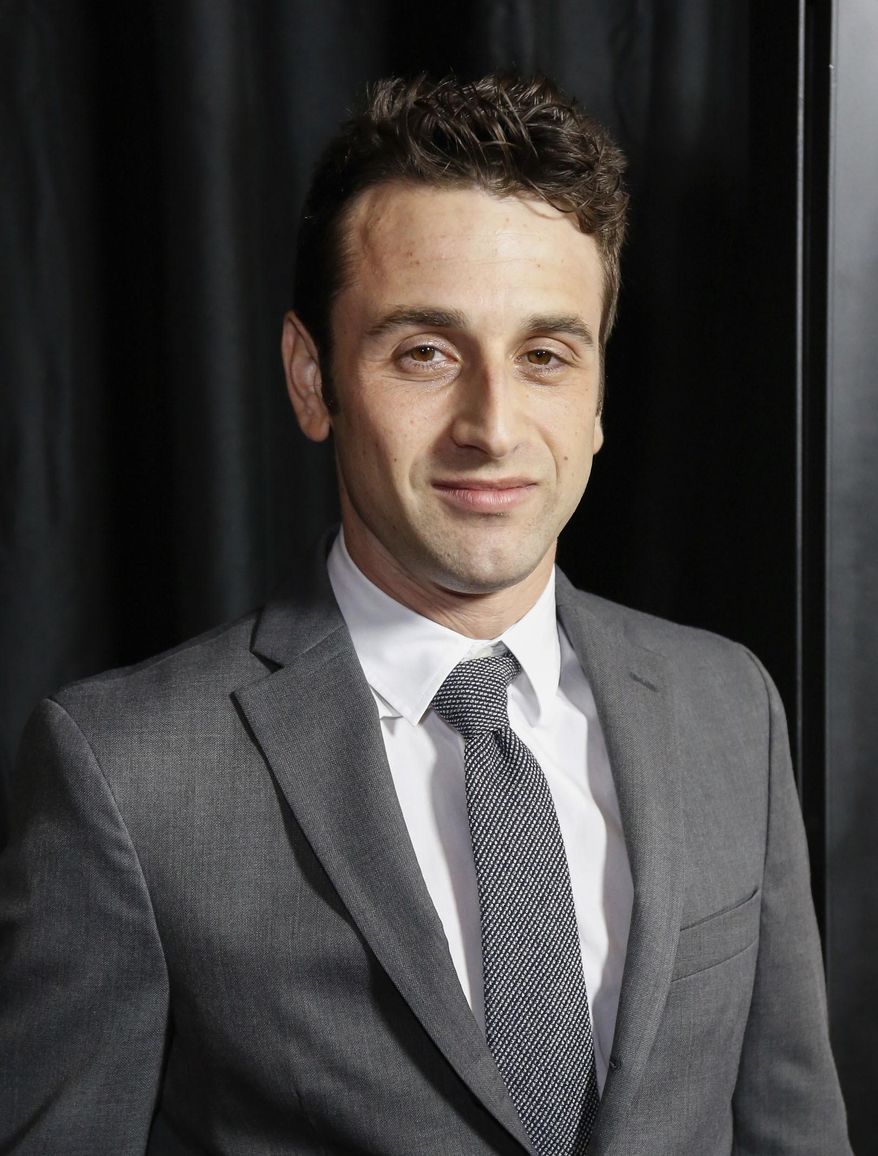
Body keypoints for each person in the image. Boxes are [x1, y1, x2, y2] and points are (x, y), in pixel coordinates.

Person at [0, 73, 850, 1155]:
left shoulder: (728, 705)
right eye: (426, 353)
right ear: (313, 381)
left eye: (544, 356)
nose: (491, 427)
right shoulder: (124, 771)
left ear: (593, 397)